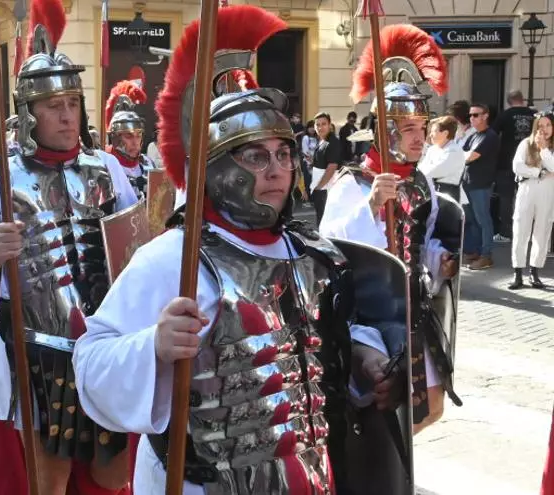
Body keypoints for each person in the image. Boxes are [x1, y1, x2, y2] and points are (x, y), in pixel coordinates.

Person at [73, 6, 406, 493]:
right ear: (216, 168)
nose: (275, 169)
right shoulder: (174, 259)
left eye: (283, 154)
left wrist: (366, 357)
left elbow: (327, 345)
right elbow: (92, 363)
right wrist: (154, 347)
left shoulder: (314, 256)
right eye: (254, 155)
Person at [0, 0, 139, 491]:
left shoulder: (108, 169)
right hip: (39, 350)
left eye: (73, 103)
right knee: (47, 479)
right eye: (55, 106)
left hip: (106, 344)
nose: (67, 115)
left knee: (112, 473)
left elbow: (135, 247)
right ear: (29, 113)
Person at [320, 23, 462, 438]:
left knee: (431, 405)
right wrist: (371, 206)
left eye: (423, 126)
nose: (421, 138)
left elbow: (425, 238)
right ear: (388, 131)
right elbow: (332, 247)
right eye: (411, 130)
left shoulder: (422, 182)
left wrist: (441, 260)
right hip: (368, 315)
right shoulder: (354, 182)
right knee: (383, 409)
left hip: (413, 307)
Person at [508, 112, 554, 290]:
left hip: (547, 193)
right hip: (527, 190)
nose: (544, 129)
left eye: (548, 125)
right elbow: (517, 166)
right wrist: (539, 172)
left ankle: (535, 272)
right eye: (540, 126)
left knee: (542, 232)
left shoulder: (550, 147)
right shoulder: (526, 144)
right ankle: (517, 272)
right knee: (520, 230)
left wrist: (543, 150)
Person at [492, 90, 535, 242]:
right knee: (529, 198)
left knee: (506, 198)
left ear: (509, 101)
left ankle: (506, 233)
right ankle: (529, 232)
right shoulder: (533, 115)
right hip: (531, 162)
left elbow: (492, 134)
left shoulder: (505, 115)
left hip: (507, 162)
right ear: (522, 99)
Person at [105, 79, 157, 199]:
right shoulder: (104, 166)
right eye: (128, 136)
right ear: (115, 138)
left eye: (138, 135)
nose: (135, 143)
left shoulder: (148, 164)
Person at [462, 103, 500, 270]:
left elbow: (469, 156)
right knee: (472, 220)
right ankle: (476, 251)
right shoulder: (473, 135)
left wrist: (463, 156)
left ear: (485, 116)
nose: (472, 118)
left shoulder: (489, 136)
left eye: (476, 115)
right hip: (469, 183)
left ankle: (486, 255)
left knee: (483, 220)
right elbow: (460, 152)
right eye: (470, 115)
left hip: (481, 184)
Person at [419, 115, 465, 199]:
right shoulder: (432, 149)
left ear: (445, 133)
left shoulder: (454, 151)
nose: (430, 135)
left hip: (447, 193)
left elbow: (435, 171)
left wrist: (425, 168)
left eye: (434, 131)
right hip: (430, 191)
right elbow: (420, 167)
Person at [309, 112, 340, 221]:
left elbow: (332, 167)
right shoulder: (322, 140)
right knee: (320, 217)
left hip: (326, 188)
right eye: (317, 125)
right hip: (320, 186)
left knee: (324, 220)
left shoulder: (333, 142)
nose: (320, 127)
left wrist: (319, 187)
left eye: (323, 124)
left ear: (329, 125)